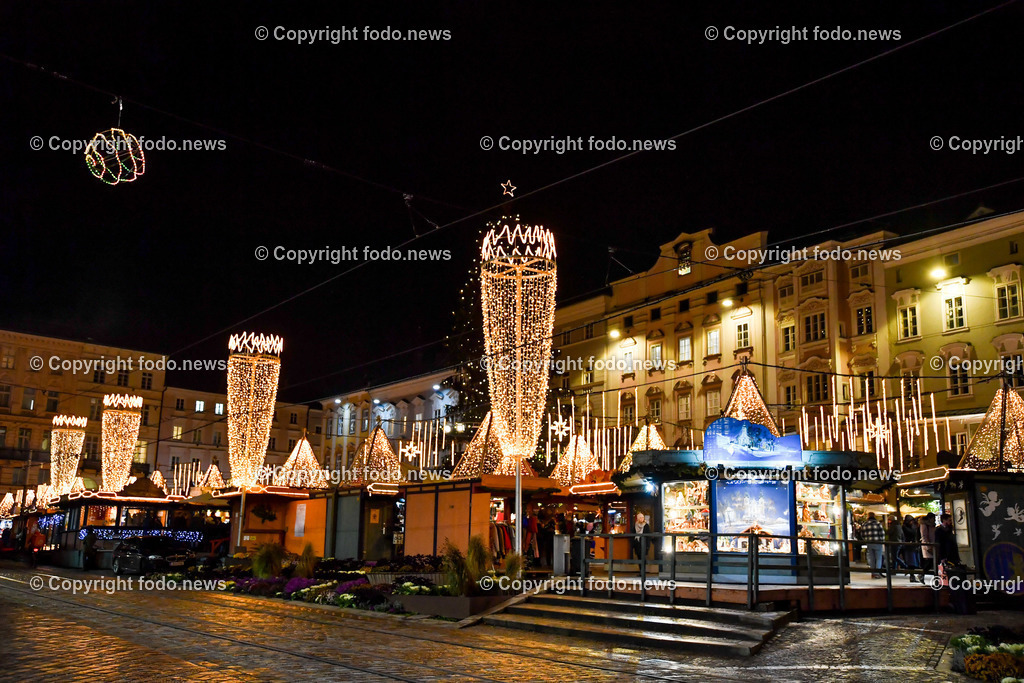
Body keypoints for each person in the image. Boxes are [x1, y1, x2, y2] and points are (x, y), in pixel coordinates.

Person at [861, 512, 886, 579]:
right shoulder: (878, 524)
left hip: (869, 543)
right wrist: (882, 541)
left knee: (871, 558)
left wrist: (866, 540)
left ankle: (873, 573)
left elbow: (862, 534)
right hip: (878, 542)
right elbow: (882, 533)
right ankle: (877, 573)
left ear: (868, 516)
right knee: (878, 558)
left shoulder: (865, 524)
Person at [902, 515, 922, 582]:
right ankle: (912, 576)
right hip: (909, 546)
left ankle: (912, 576)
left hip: (912, 546)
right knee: (911, 562)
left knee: (913, 562)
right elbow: (912, 533)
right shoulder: (905, 527)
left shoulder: (911, 526)